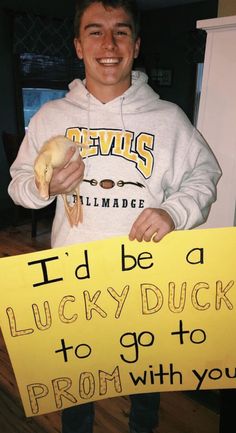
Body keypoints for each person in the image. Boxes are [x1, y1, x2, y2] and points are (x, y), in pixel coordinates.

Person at [8, 1, 222, 432]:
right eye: (95, 32)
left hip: (145, 280)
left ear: (136, 45)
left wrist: (172, 211)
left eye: (121, 32)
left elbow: (206, 173)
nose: (109, 44)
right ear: (78, 46)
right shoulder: (52, 117)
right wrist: (47, 187)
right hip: (73, 282)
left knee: (145, 386)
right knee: (77, 391)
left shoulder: (169, 119)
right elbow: (18, 185)